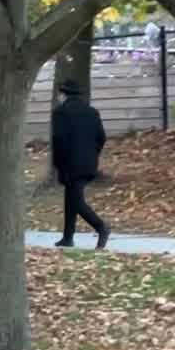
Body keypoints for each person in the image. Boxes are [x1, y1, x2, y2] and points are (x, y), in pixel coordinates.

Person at [51, 80, 110, 249]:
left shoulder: (60, 113)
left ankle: (101, 227)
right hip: (89, 163)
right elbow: (102, 137)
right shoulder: (92, 112)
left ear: (63, 94)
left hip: (69, 163)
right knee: (71, 198)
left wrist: (57, 164)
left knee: (76, 201)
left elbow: (59, 140)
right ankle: (67, 237)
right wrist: (92, 154)